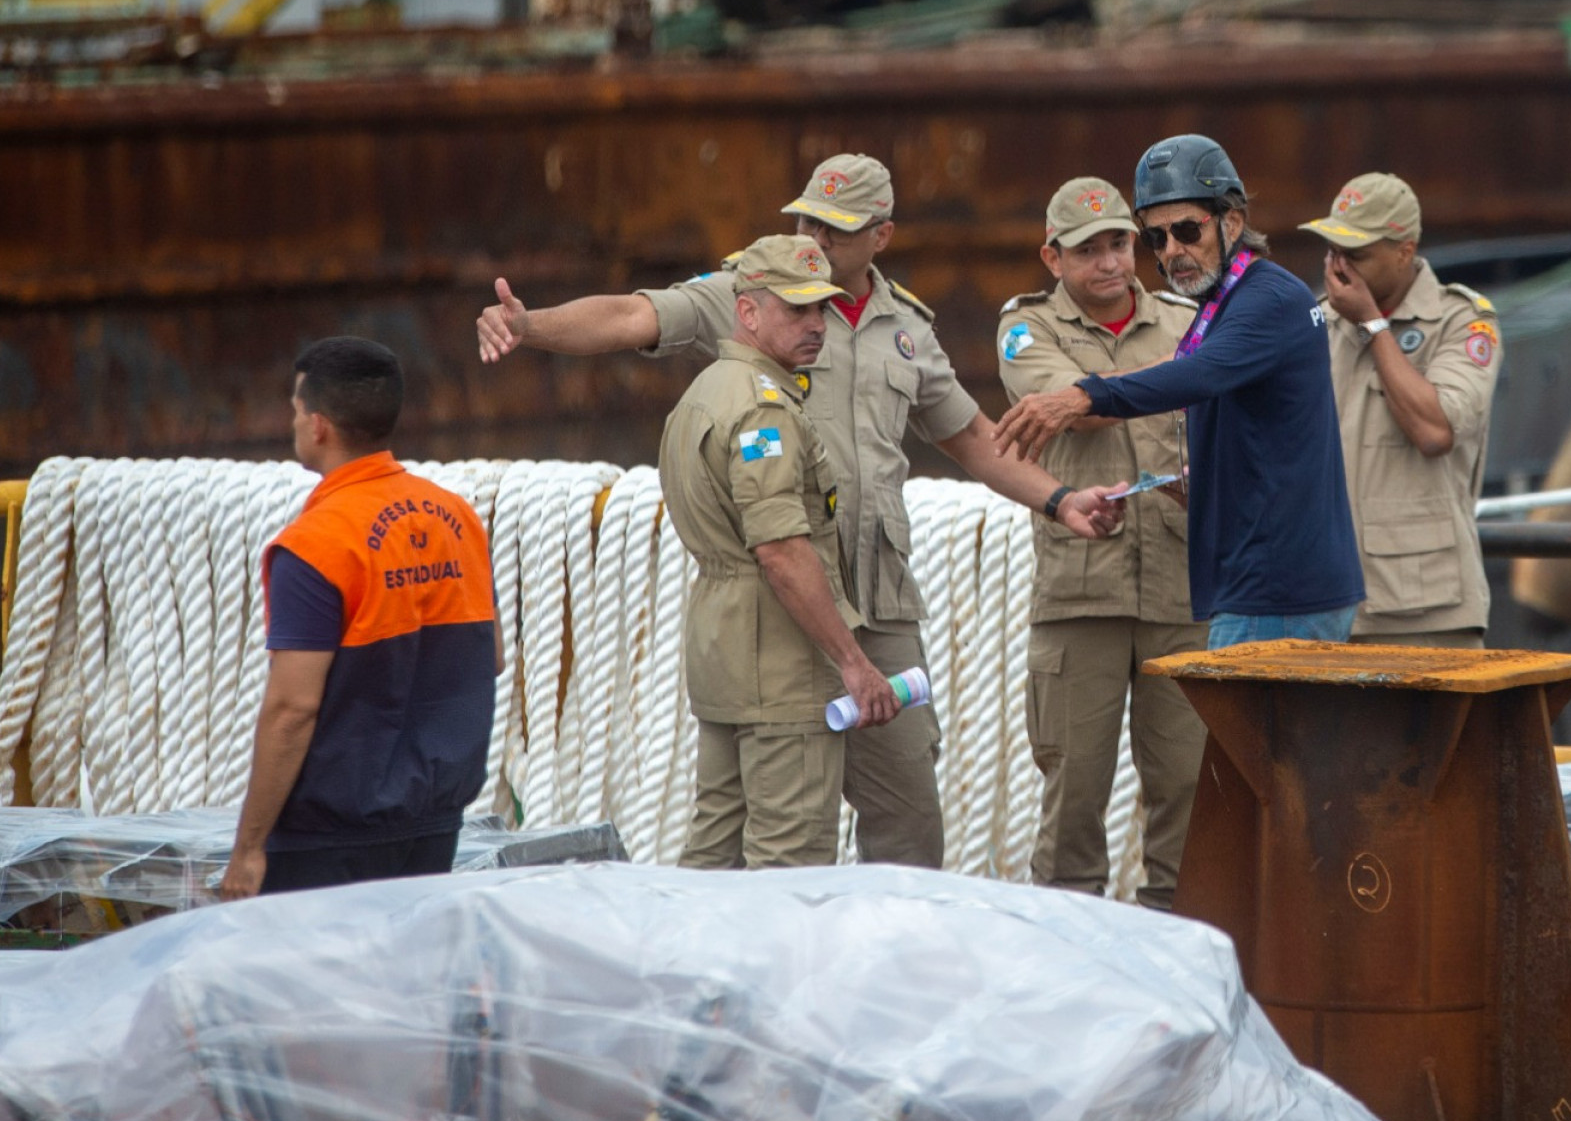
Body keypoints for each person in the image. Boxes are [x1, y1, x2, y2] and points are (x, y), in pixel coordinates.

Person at [477, 153, 1122, 869]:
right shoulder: (747, 292)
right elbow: (633, 314)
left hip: (876, 603)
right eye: (807, 217)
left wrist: (1060, 501)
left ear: (881, 235)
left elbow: (970, 438)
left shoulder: (905, 326)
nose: (815, 233)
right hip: (783, 601)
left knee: (908, 816)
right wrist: (529, 327)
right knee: (765, 831)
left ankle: (878, 969)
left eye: (836, 227)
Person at [993, 134, 1365, 649]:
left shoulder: (1266, 300)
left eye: (1188, 230)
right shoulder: (1226, 305)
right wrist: (1206, 480)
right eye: (1156, 238)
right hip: (1261, 585)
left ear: (1231, 222)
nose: (1172, 252)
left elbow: (1198, 374)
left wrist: (1082, 395)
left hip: (1275, 595)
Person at [223, 337, 501, 899]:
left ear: (319, 425)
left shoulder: (313, 547)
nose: (294, 422)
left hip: (328, 839)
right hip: (434, 825)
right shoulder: (456, 517)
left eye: (297, 410)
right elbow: (490, 658)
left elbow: (291, 710)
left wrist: (249, 847)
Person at [997, 177, 1207, 911]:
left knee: (1186, 786)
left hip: (1181, 584)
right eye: (1089, 250)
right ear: (1052, 257)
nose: (1113, 262)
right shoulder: (1026, 330)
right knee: (1075, 789)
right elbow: (1073, 412)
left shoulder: (1186, 321)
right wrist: (1179, 382)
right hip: (1081, 591)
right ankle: (1069, 951)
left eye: (1121, 243)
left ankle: (1175, 943)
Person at [659, 235, 901, 869]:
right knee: (787, 870)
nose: (816, 325)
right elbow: (783, 552)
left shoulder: (705, 394)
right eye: (797, 310)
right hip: (782, 667)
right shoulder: (766, 413)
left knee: (713, 855)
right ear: (748, 313)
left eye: (821, 309)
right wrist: (853, 662)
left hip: (724, 655)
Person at [1304, 172, 1502, 649]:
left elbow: (1435, 431)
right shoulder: (1319, 321)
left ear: (1405, 251)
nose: (1338, 267)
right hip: (1326, 604)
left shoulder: (1464, 320)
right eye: (1331, 251)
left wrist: (1372, 324)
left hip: (1425, 607)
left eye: (1355, 254)